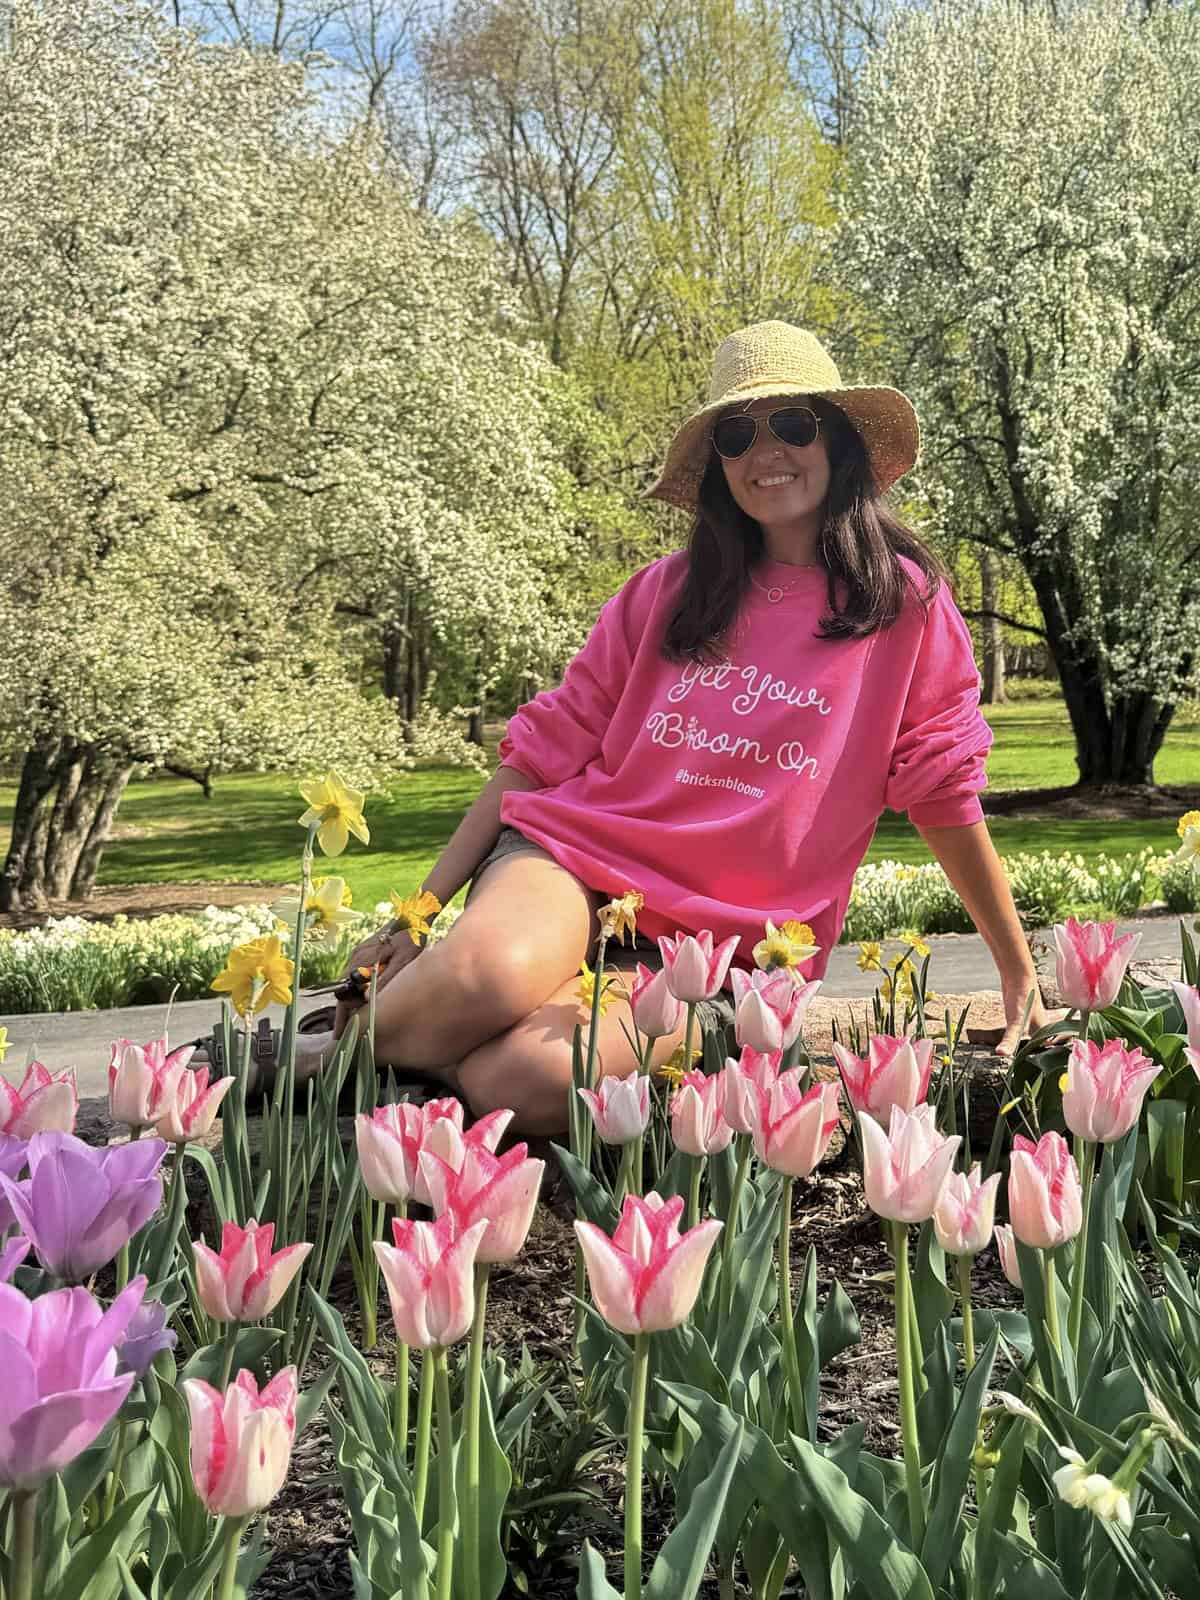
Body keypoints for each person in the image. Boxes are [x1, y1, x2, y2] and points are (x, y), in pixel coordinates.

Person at [302, 320, 1052, 1134]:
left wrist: (1019, 973)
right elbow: (539, 755)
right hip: (574, 867)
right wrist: (413, 919)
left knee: (533, 1076)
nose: (767, 452)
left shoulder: (903, 605)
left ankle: (379, 1047)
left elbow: (942, 791)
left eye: (793, 423)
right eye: (737, 434)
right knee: (487, 976)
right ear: (718, 467)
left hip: (724, 948)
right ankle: (360, 1042)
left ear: (837, 441)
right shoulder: (665, 593)